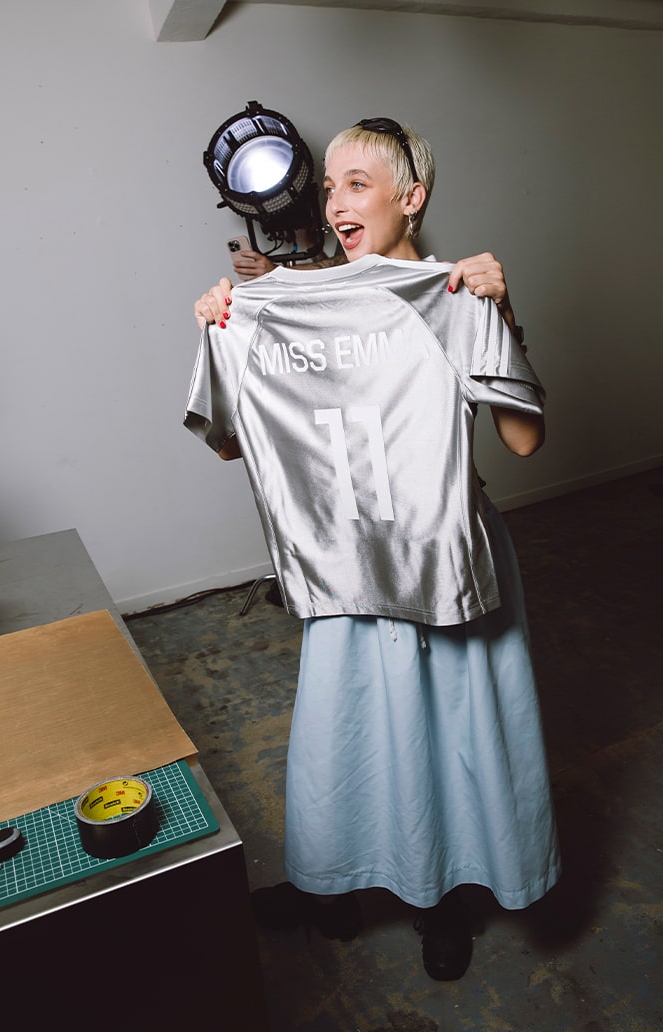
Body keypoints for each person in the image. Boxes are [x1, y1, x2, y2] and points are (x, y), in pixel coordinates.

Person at [188, 117, 560, 981]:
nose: (334, 202)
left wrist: (503, 312)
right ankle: (328, 888)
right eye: (330, 186)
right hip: (345, 560)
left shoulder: (451, 293)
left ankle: (443, 899)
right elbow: (232, 446)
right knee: (342, 736)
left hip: (441, 556)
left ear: (411, 197)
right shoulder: (298, 300)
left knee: (447, 733)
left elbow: (525, 442)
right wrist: (222, 328)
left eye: (357, 183)